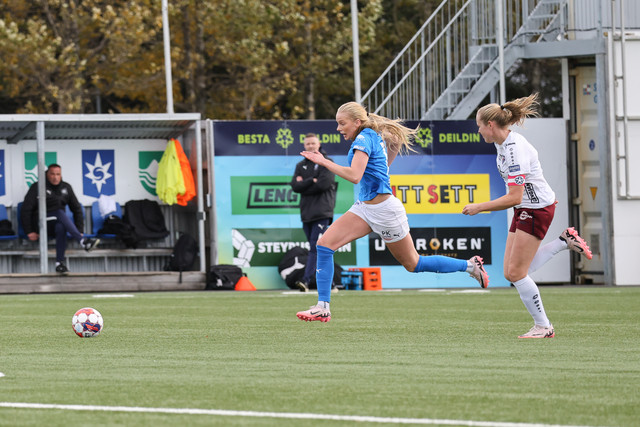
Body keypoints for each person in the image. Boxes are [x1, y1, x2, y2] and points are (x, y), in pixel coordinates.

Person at [296, 102, 489, 323]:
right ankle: (323, 307)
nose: (338, 128)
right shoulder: (371, 135)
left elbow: (355, 176)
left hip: (385, 211)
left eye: (342, 123)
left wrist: (323, 162)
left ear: (357, 122)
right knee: (324, 245)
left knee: (414, 264)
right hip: (365, 207)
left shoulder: (363, 138)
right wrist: (382, 168)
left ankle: (470, 266)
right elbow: (393, 145)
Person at [462, 93, 592, 339]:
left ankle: (543, 326)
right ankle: (563, 242)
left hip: (536, 209)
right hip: (525, 209)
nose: (478, 131)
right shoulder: (502, 144)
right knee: (510, 272)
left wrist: (480, 207)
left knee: (517, 273)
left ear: (490, 124)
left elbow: (514, 197)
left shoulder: (514, 150)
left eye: (479, 125)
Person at [21, 164, 100, 274]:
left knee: (61, 226)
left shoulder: (66, 187)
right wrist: (29, 231)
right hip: (41, 224)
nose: (55, 177)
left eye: (58, 174)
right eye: (52, 174)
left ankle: (59, 264)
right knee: (59, 212)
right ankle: (82, 241)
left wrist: (80, 229)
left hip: (56, 223)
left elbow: (77, 208)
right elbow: (26, 209)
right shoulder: (37, 187)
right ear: (47, 175)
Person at [289, 133, 337, 292]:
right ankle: (330, 283)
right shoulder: (300, 165)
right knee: (319, 249)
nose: (310, 146)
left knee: (316, 247)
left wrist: (305, 184)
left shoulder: (327, 162)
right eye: (308, 144)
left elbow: (324, 184)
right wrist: (312, 180)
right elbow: (295, 186)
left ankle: (306, 280)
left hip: (322, 212)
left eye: (313, 143)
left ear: (319, 144)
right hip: (306, 213)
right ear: (304, 146)